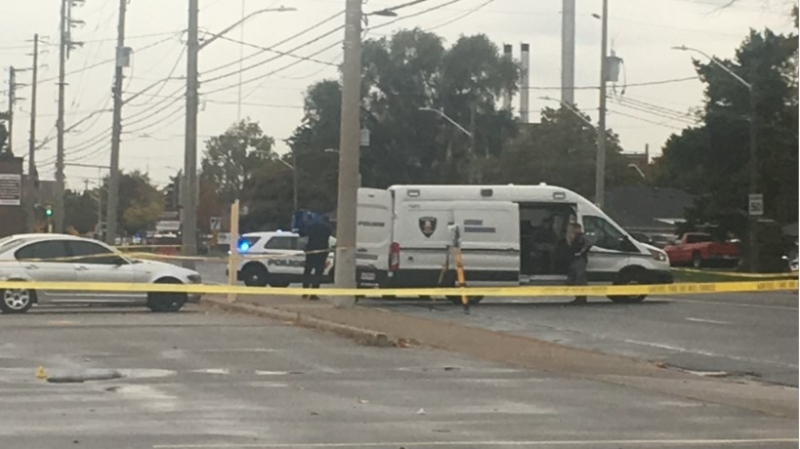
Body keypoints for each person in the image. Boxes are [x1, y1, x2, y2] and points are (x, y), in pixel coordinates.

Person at [301, 216, 332, 300]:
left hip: (311, 251)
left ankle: (305, 291)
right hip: (322, 252)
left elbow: (303, 234)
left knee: (307, 271)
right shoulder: (327, 229)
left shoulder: (312, 226)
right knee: (318, 274)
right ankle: (314, 293)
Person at [566, 222, 591, 304]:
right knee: (575, 277)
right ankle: (578, 297)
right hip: (575, 259)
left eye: (573, 228)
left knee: (580, 278)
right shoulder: (575, 237)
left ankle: (582, 298)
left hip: (580, 259)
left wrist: (580, 252)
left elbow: (588, 244)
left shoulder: (581, 237)